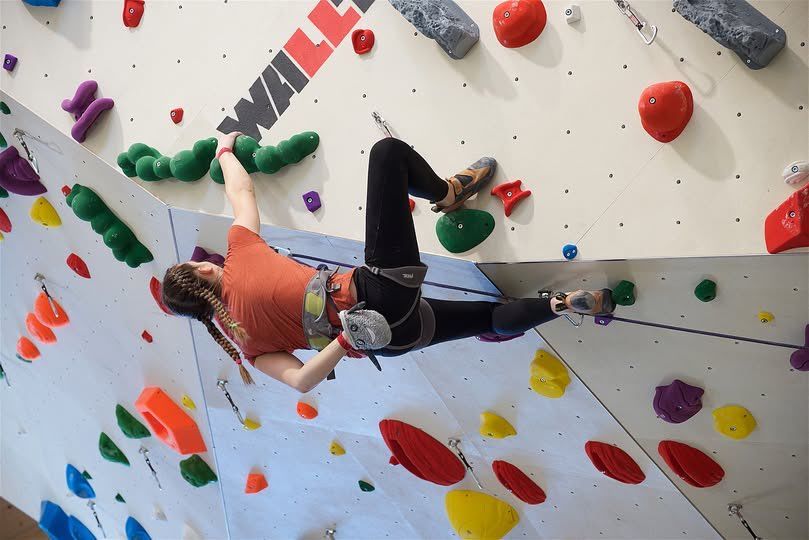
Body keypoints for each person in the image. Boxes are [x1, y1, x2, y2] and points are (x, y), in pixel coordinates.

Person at [161, 133, 614, 391]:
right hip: (379, 292)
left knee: (489, 319)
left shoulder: (247, 346)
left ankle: (561, 304)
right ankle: (449, 194)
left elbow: (300, 381)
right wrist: (224, 152)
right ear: (204, 270)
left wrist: (347, 340)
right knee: (387, 154)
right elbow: (241, 192)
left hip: (387, 340)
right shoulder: (239, 253)